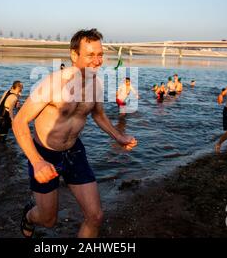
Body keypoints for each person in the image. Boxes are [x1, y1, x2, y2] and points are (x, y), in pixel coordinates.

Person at [13, 28, 137, 238]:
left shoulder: (96, 84)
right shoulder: (53, 84)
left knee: (95, 216)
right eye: (90, 55)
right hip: (45, 154)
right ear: (74, 55)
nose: (97, 61)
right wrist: (36, 162)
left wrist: (118, 136)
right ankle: (29, 216)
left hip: (74, 151)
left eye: (100, 55)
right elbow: (19, 122)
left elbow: (98, 114)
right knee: (48, 220)